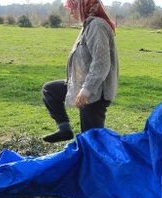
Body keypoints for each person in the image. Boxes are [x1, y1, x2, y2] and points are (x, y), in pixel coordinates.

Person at [41, 0, 118, 143]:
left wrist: (86, 90)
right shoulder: (87, 25)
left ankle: (96, 163)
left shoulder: (97, 26)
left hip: (96, 93)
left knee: (91, 142)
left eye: (73, 8)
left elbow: (101, 63)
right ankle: (64, 129)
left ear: (84, 6)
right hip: (82, 85)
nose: (71, 12)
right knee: (50, 90)